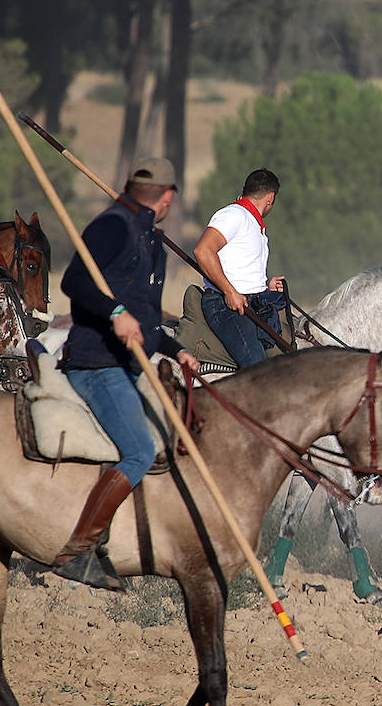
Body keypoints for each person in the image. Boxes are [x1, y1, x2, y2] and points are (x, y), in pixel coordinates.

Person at [53, 156, 200, 589]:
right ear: (168, 196)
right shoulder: (114, 225)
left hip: (129, 364)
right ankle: (78, 552)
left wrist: (176, 349)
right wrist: (114, 311)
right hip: (97, 363)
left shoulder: (148, 236)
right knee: (138, 451)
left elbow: (146, 319)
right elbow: (75, 282)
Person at [193, 167, 287, 368]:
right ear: (271, 197)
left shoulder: (254, 223)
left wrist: (265, 286)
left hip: (251, 304)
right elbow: (203, 251)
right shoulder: (234, 215)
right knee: (257, 366)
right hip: (224, 306)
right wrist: (229, 291)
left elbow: (240, 267)